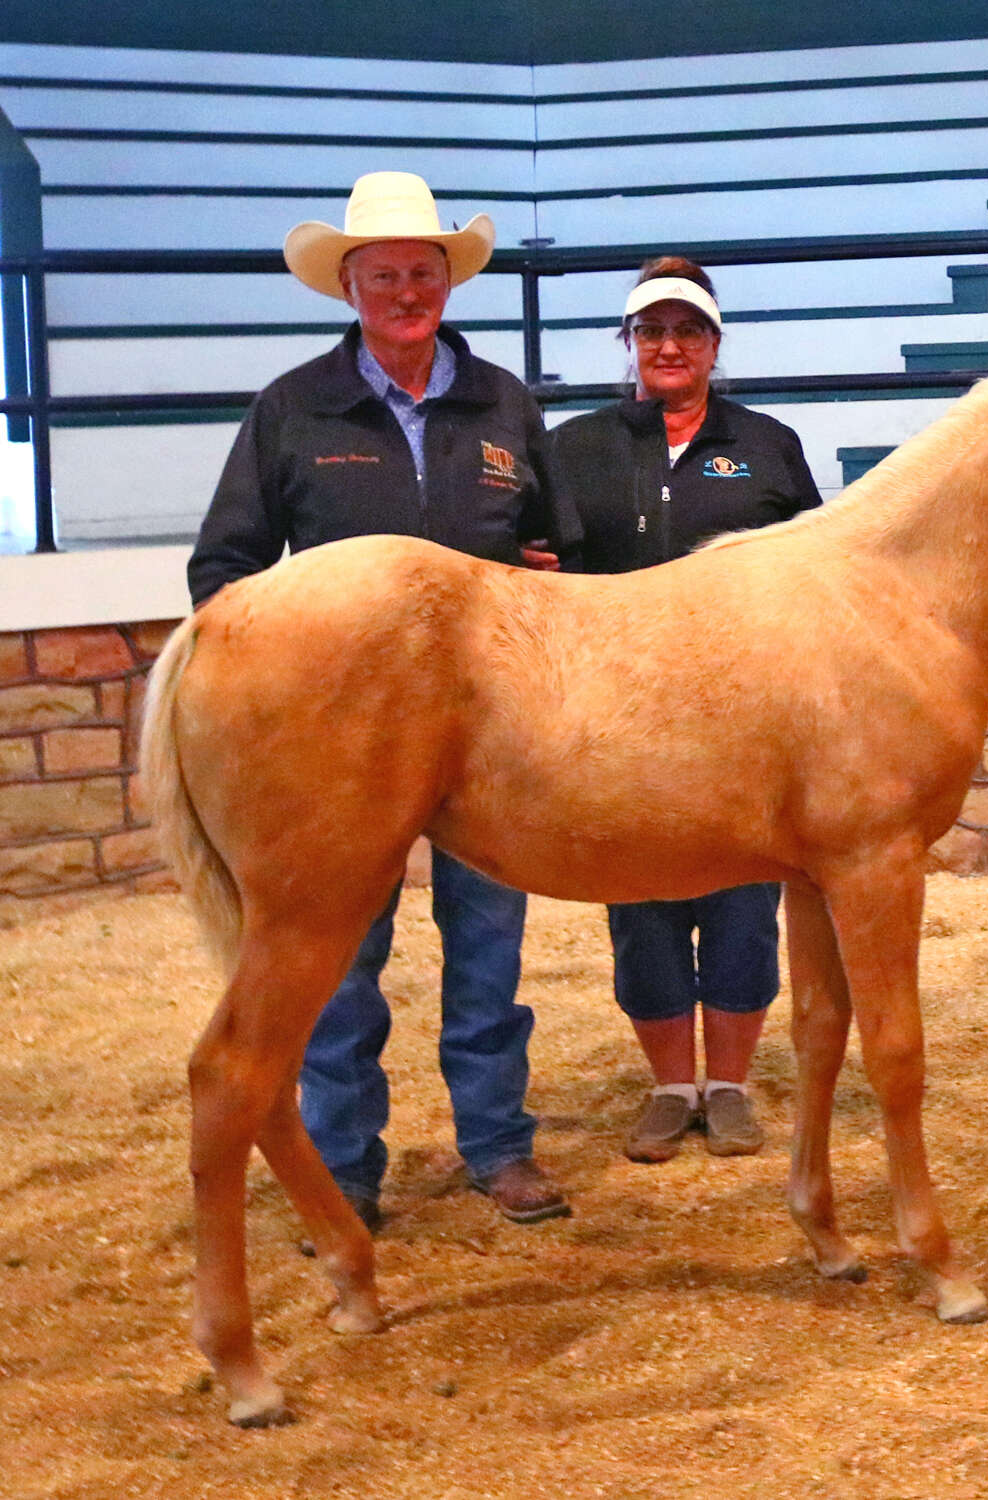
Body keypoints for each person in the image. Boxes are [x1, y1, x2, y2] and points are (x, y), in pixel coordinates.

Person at [189, 171, 577, 1229]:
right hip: (342, 743)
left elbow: (555, 547)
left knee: (488, 942)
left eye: (422, 272)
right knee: (340, 958)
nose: (407, 292)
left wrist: (547, 580)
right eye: (384, 276)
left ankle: (498, 1147)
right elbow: (224, 573)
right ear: (348, 286)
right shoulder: (292, 410)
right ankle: (347, 1166)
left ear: (446, 281)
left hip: (491, 735)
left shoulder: (505, 401)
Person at [546, 257, 821, 1163]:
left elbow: (815, 570)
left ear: (714, 345)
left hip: (745, 723)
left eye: (688, 332)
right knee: (642, 904)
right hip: (620, 719)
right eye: (651, 332)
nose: (670, 347)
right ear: (627, 344)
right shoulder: (577, 447)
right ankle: (671, 1086)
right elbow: (537, 562)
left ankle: (731, 1084)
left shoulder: (770, 443)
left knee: (744, 902)